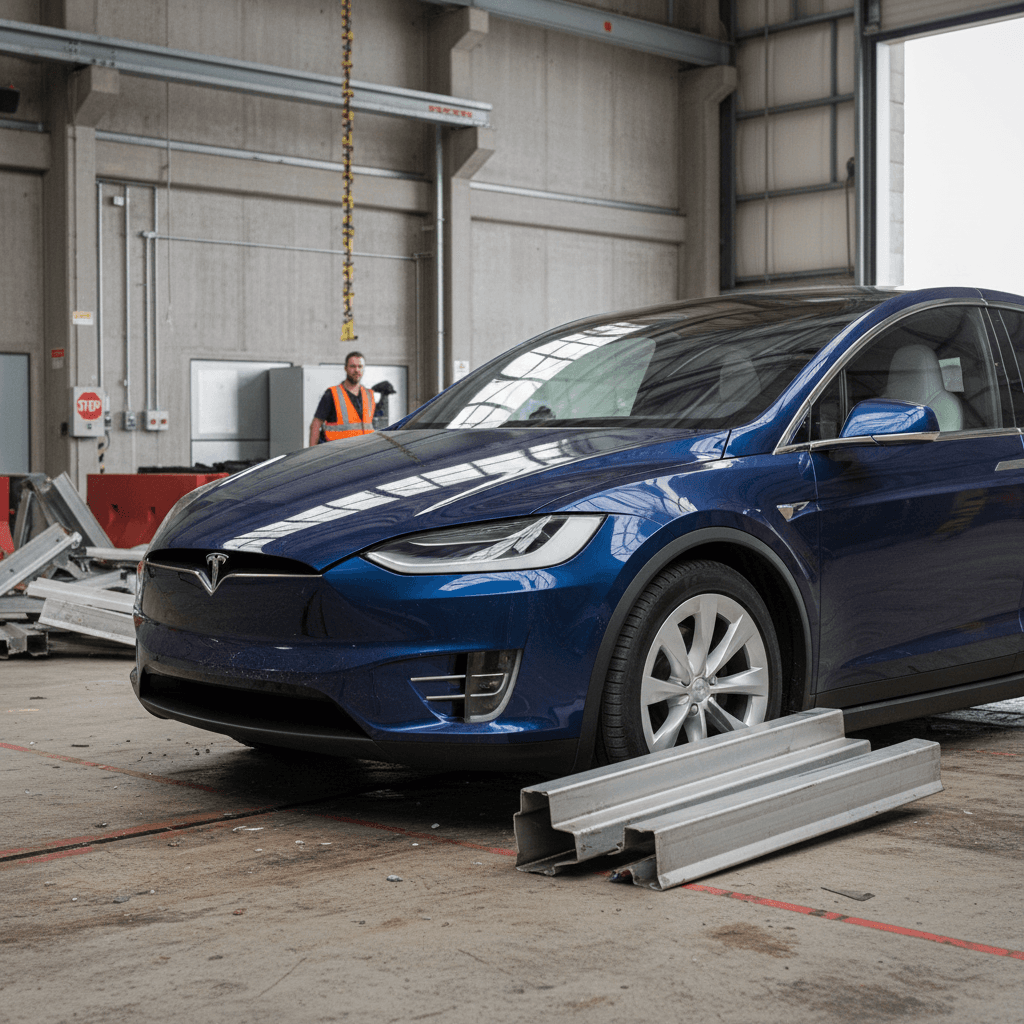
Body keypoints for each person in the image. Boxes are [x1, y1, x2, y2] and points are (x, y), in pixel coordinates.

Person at [308, 351, 376, 445]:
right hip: (338, 454)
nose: (356, 370)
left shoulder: (369, 395)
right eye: (352, 366)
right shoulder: (332, 394)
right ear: (345, 368)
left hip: (363, 452)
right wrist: (312, 455)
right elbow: (315, 425)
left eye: (360, 366)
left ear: (364, 369)